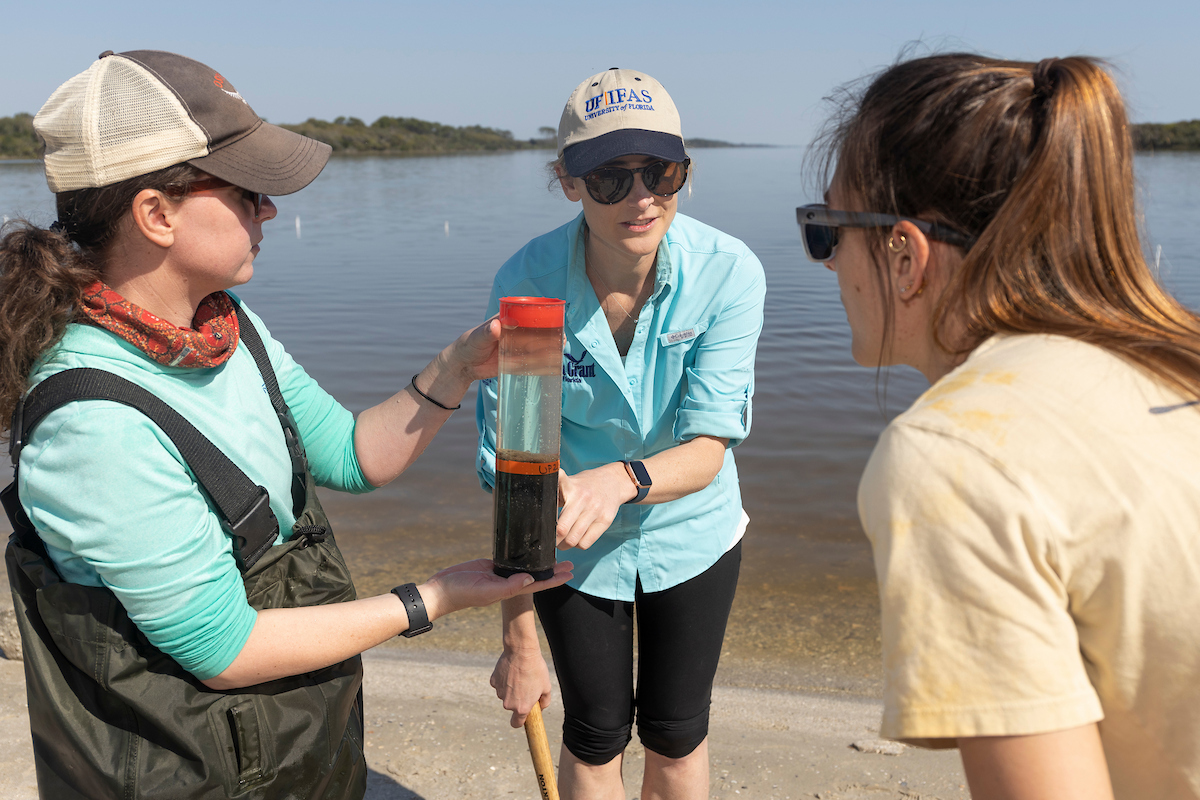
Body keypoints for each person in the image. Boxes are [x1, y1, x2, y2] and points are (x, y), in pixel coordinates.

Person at [0, 49, 571, 800]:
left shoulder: (226, 330)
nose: (269, 209)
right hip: (184, 767)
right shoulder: (93, 423)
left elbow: (352, 454)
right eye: (247, 191)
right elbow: (224, 649)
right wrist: (430, 599)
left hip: (284, 747)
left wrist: (456, 367)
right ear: (156, 213)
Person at [800, 52, 1200, 800]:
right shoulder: (1179, 356)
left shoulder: (959, 453)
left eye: (825, 231)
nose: (825, 264)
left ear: (904, 254)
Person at [478, 69, 766, 799]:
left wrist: (625, 479)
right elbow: (518, 479)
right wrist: (518, 640)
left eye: (659, 172)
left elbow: (707, 448)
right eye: (609, 177)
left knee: (677, 733)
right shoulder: (528, 285)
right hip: (573, 547)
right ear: (568, 182)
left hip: (693, 531)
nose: (640, 199)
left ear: (685, 172)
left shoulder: (729, 273)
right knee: (596, 732)